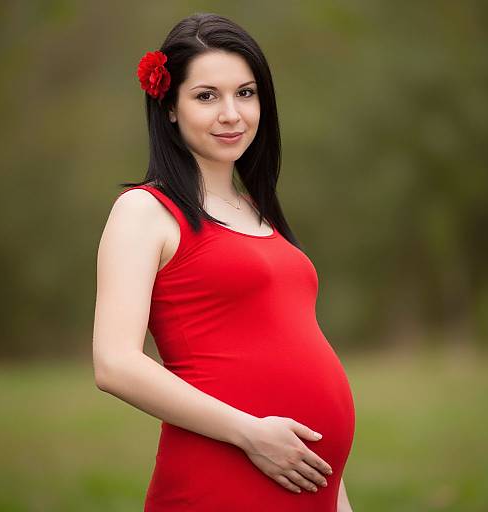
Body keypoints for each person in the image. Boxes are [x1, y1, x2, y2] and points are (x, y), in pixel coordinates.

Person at [92, 12, 355, 512]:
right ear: (169, 106)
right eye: (206, 95)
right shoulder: (145, 211)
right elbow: (115, 364)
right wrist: (252, 434)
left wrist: (336, 495)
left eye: (246, 93)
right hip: (223, 471)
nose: (231, 113)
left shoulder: (258, 212)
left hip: (304, 481)